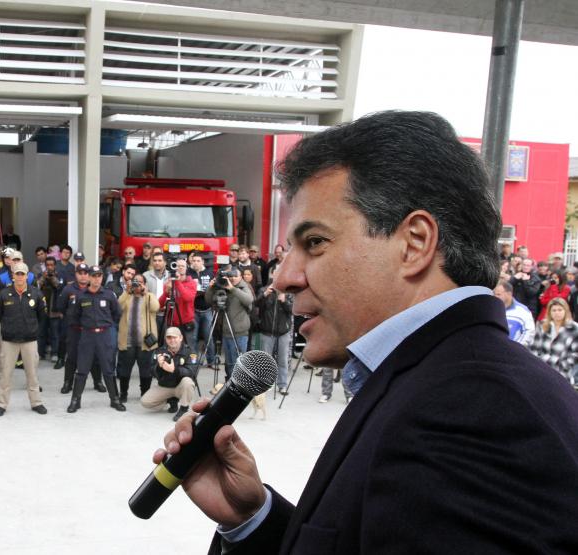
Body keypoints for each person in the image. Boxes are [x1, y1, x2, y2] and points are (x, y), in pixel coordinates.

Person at [153, 111, 578, 553]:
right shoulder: (440, 383)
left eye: (314, 242)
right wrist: (251, 518)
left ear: (414, 243)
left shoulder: (468, 414)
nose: (283, 277)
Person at [65, 265, 124, 413]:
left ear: (102, 277)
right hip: (87, 336)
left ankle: (114, 399)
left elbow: (117, 314)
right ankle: (75, 401)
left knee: (108, 370)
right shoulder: (81, 296)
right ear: (89, 277)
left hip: (105, 335)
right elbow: (74, 317)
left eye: (99, 276)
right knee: (82, 369)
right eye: (94, 276)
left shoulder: (109, 295)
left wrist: (108, 327)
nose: (97, 279)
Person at [0, 262, 47, 416]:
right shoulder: (4, 294)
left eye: (23, 274)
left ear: (27, 275)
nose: (20, 277)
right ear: (13, 276)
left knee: (32, 375)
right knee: (5, 374)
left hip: (29, 341)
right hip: (9, 341)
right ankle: (1, 404)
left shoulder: (36, 294)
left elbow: (42, 316)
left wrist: (32, 330)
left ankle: (36, 403)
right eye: (17, 274)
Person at [203, 266, 253, 380]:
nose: (233, 278)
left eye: (236, 276)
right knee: (229, 363)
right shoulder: (223, 286)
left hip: (240, 333)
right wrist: (211, 288)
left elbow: (249, 300)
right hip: (226, 332)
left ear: (241, 277)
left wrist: (233, 289)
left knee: (238, 363)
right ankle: (229, 384)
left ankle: (239, 385)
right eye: (231, 276)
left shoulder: (244, 286)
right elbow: (209, 300)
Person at [116, 273, 160, 401]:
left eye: (140, 282)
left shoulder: (149, 296)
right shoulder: (126, 296)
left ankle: (144, 394)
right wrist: (126, 290)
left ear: (145, 284)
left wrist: (146, 293)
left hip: (145, 343)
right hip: (127, 341)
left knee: (145, 371)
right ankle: (123, 394)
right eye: (135, 281)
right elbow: (118, 307)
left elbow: (155, 308)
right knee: (125, 370)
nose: (137, 284)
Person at [142, 326, 197, 421]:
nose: (172, 340)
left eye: (174, 337)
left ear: (181, 338)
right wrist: (159, 366)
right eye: (169, 338)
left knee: (188, 382)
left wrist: (174, 370)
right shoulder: (159, 351)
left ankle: (184, 408)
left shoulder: (190, 352)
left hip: (180, 386)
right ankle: (171, 400)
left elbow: (191, 372)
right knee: (145, 402)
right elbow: (151, 372)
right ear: (165, 339)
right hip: (165, 386)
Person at [255, 274, 292, 395]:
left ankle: (282, 385)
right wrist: (265, 295)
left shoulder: (289, 292)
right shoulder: (264, 290)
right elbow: (255, 304)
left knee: (282, 360)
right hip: (267, 331)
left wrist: (284, 301)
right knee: (266, 360)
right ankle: (265, 384)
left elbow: (293, 310)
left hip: (283, 332)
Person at [529, 297, 578, 384]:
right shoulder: (542, 325)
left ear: (565, 311)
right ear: (549, 312)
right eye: (554, 310)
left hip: (563, 374)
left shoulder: (574, 328)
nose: (557, 313)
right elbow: (534, 349)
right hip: (542, 372)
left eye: (560, 310)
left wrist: (562, 365)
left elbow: (575, 354)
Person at [158, 256, 197, 347]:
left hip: (186, 323)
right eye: (177, 266)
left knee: (189, 349)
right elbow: (160, 304)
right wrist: (166, 292)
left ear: (186, 268)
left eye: (182, 266)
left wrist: (177, 282)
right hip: (172, 323)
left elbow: (187, 298)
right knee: (170, 349)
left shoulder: (192, 283)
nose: (180, 268)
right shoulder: (168, 283)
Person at [187, 253, 216, 366]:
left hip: (207, 309)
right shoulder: (188, 273)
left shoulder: (209, 273)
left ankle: (211, 361)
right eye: (193, 261)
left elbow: (215, 290)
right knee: (192, 337)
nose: (195, 263)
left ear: (203, 262)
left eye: (198, 260)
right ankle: (193, 361)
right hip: (193, 310)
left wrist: (211, 287)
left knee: (208, 336)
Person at [36, 256, 64, 361]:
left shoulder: (60, 275)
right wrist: (43, 277)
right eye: (47, 265)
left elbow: (59, 287)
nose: (50, 267)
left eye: (52, 265)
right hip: (43, 309)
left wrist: (52, 277)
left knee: (55, 333)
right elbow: (37, 286)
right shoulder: (40, 275)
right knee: (41, 333)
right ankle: (40, 353)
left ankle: (54, 353)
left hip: (54, 309)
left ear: (55, 265)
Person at [494, 279, 536, 347]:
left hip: (513, 353)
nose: (495, 297)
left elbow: (529, 332)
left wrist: (517, 348)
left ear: (509, 294)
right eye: (494, 294)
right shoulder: (492, 309)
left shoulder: (522, 311)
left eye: (498, 294)